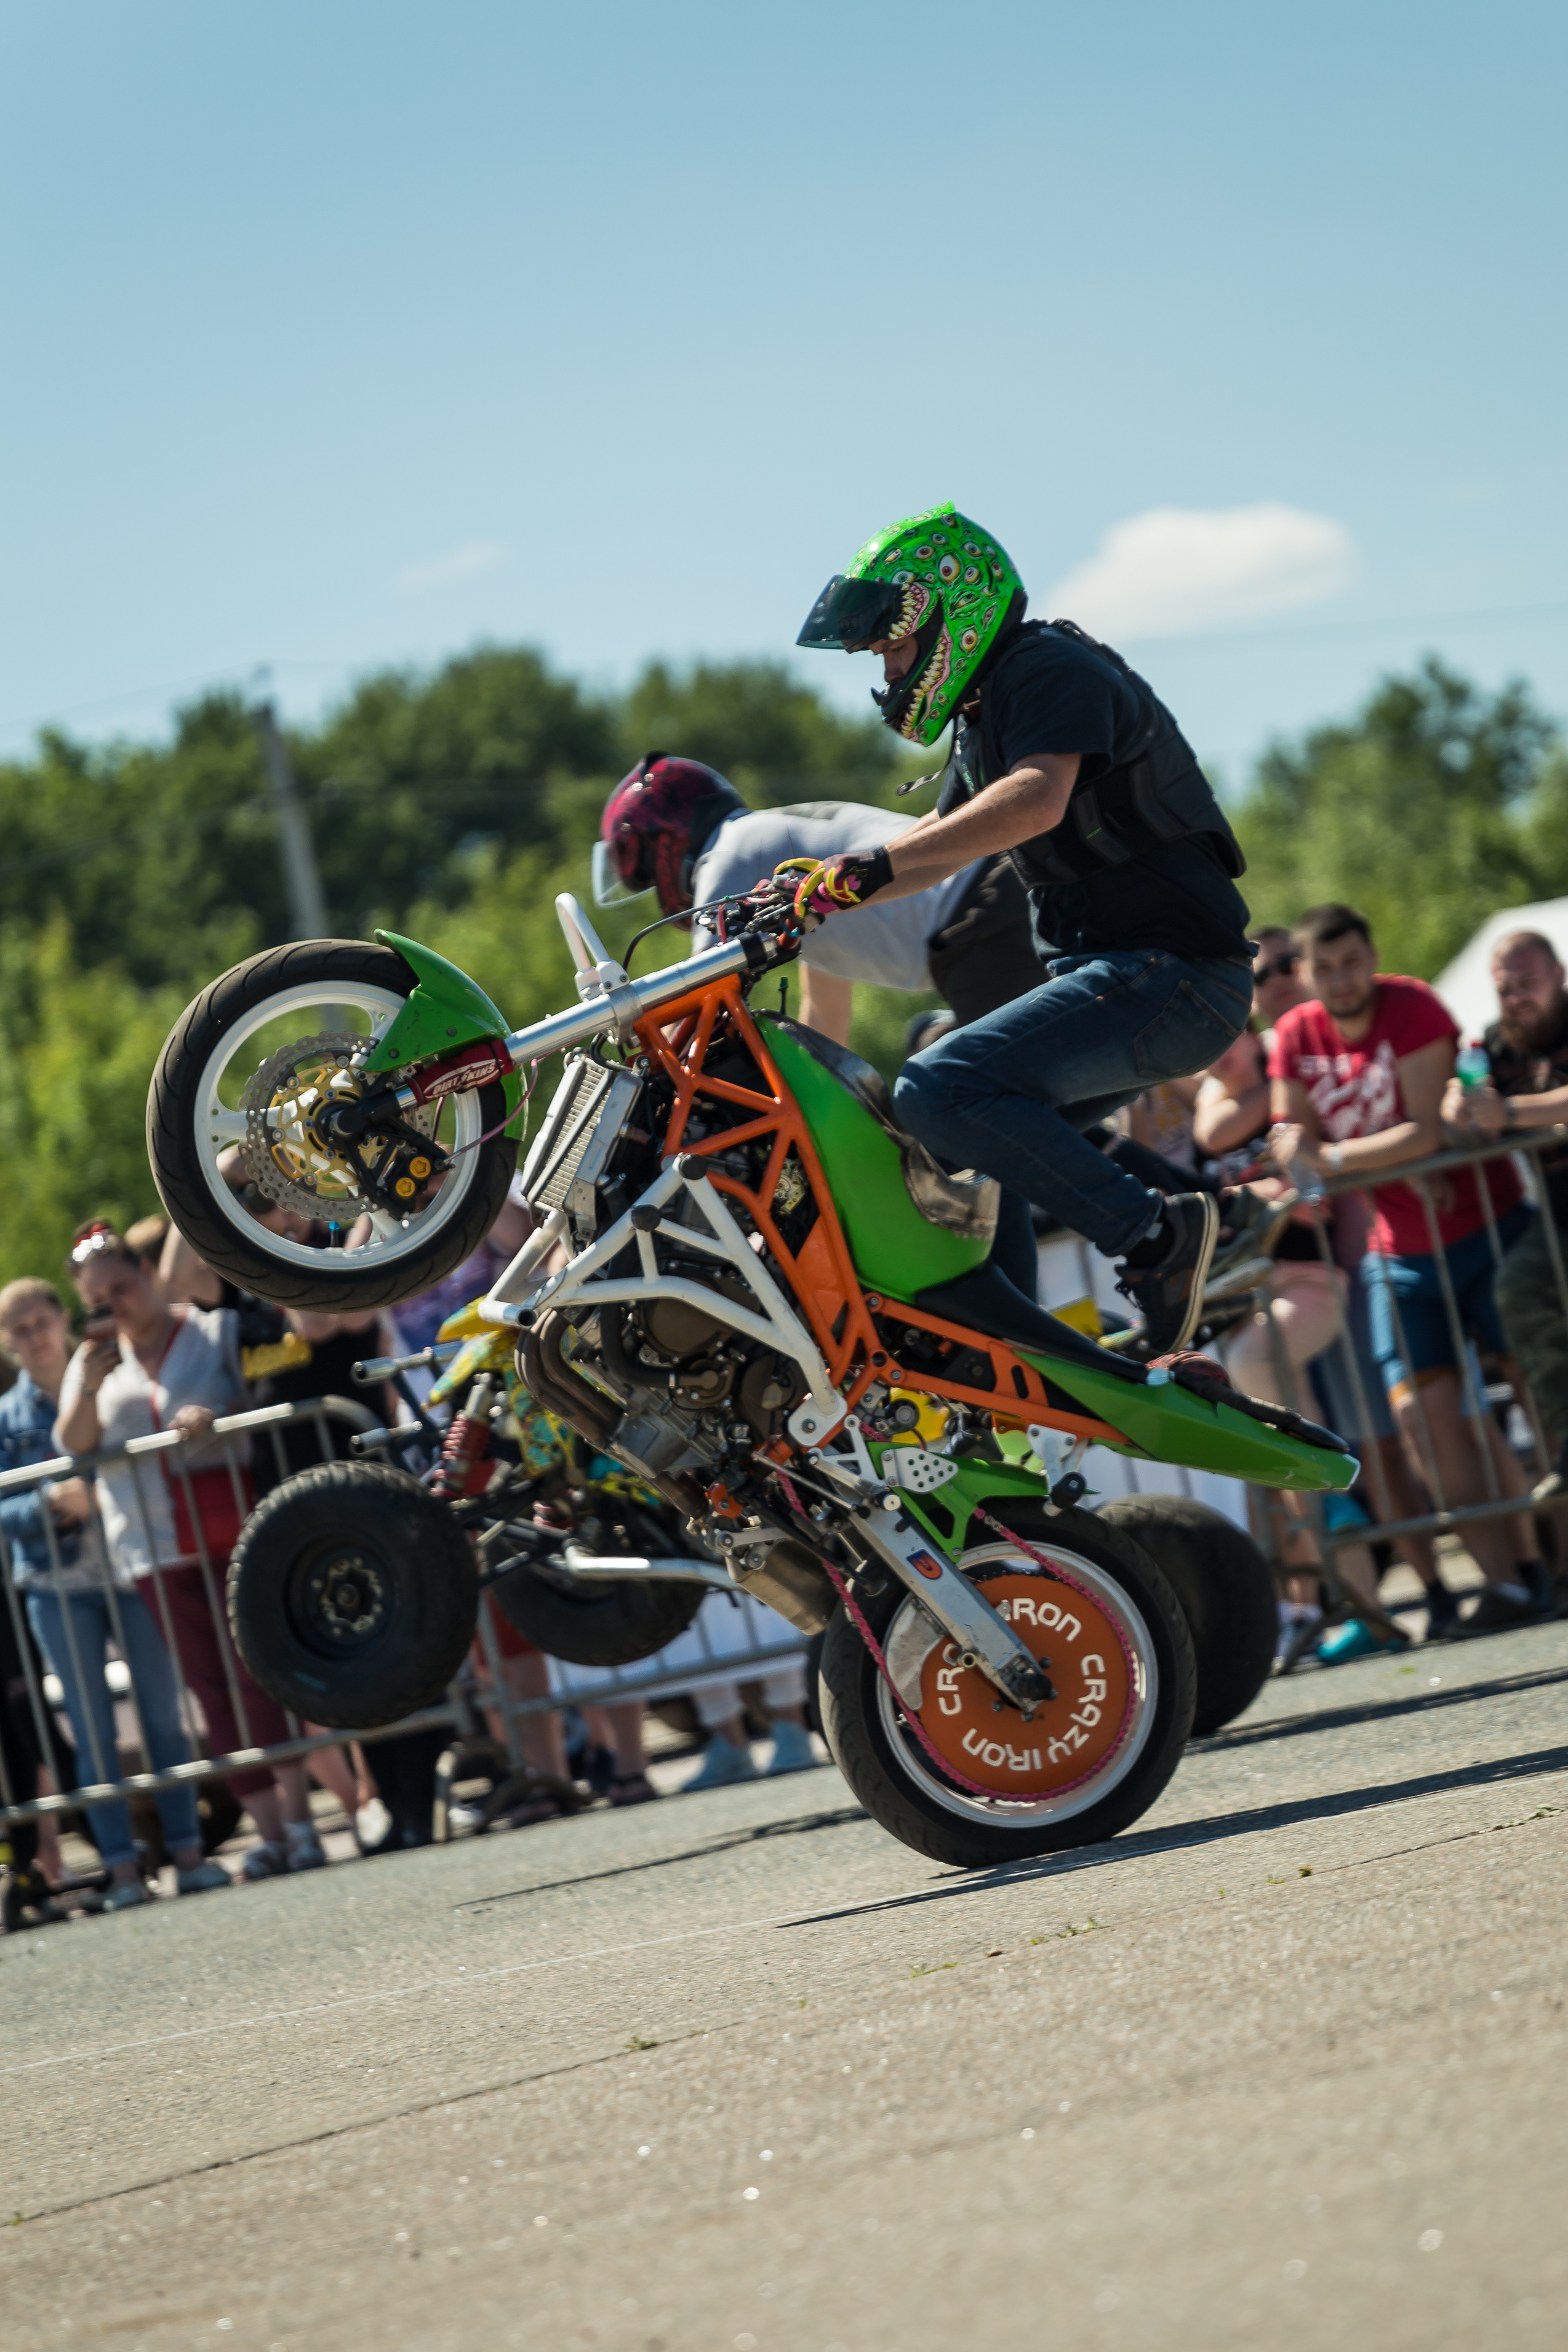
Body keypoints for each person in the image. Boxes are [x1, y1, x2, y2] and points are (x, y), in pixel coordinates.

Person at [792, 504, 1255, 1354]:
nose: (890, 670)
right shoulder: (985, 713)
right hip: (1136, 981)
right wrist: (817, 900)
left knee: (936, 1087)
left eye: (894, 646)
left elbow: (1036, 798)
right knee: (966, 1142)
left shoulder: (1045, 667)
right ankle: (1015, 1340)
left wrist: (870, 870)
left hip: (1171, 975)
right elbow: (938, 858)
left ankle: (1159, 1240)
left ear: (947, 614)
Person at [1269, 905, 1545, 1643]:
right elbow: (1290, 1139)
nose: (1341, 980)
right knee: (1421, 1424)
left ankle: (1546, 1563)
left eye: (1352, 962)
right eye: (1324, 969)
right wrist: (1314, 1154)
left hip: (1489, 1228)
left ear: (1372, 956)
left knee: (1534, 1390)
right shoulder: (1295, 1034)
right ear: (1304, 975)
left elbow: (1422, 1131)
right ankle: (1508, 1584)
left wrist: (1327, 1159)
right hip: (1397, 1254)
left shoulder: (1414, 1003)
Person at [55, 1223, 330, 1880]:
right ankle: (267, 1834)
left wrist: (216, 1414)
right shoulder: (91, 1360)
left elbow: (269, 1389)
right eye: (98, 1298)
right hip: (153, 1550)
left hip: (233, 1532)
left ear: (147, 1275)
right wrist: (90, 1387)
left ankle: (300, 1822)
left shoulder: (213, 1331)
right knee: (212, 1692)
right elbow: (74, 1444)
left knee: (259, 1675)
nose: (114, 1304)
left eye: (121, 1287)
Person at [0, 1272, 228, 1914]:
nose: (34, 1336)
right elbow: (4, 1510)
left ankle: (188, 1852)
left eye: (41, 1322)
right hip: (55, 1582)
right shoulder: (6, 1417)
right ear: (6, 1341)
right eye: (18, 1330)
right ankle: (122, 1868)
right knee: (93, 1732)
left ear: (62, 1321)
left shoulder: (109, 1377)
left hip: (131, 1565)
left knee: (163, 1717)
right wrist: (51, 1501)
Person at [595, 752, 1042, 1047]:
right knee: (1011, 1107)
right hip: (990, 902)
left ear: (665, 844)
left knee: (970, 1110)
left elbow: (698, 991)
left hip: (979, 919)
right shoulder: (773, 858)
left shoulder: (730, 851)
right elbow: (826, 1023)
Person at [1444, 929, 1568, 1529]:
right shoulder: (1495, 1044)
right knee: (1517, 1287)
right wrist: (1458, 1108)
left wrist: (1512, 1113)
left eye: (1528, 984)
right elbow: (1471, 1109)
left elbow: (1513, 1112)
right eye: (1504, 988)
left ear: (1559, 975)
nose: (1516, 998)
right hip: (1557, 1218)